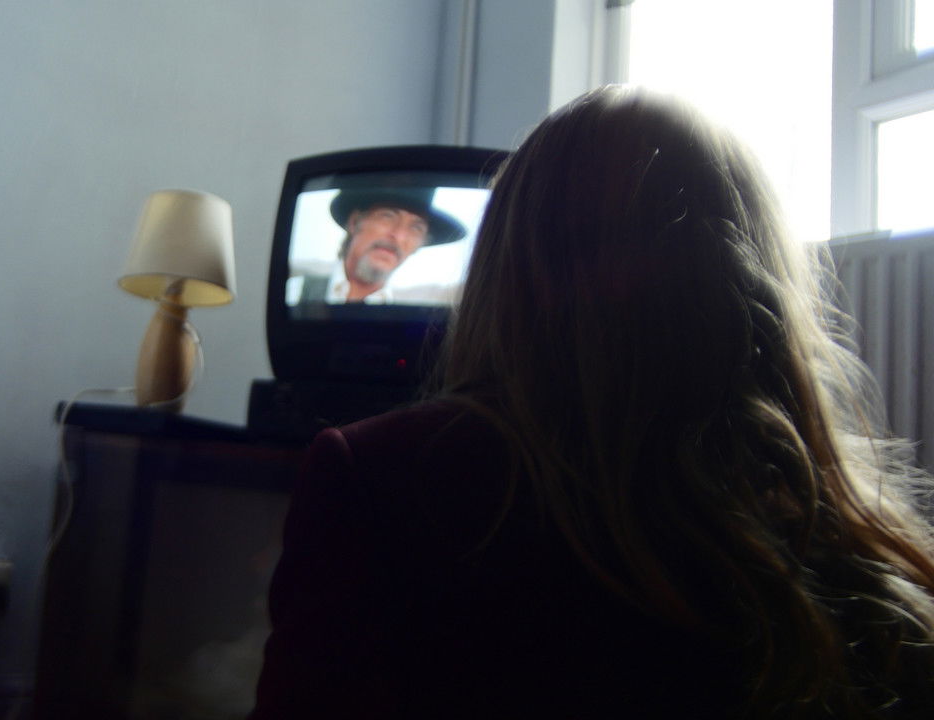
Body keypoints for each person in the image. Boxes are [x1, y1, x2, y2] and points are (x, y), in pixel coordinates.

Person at [249, 86, 934, 718]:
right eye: (384, 220)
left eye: (415, 228)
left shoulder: (373, 476)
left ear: (510, 261)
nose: (398, 237)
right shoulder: (853, 552)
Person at [287, 187, 466, 304]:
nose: (398, 235)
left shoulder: (416, 311)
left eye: (416, 228)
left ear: (419, 246)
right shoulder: (293, 286)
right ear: (355, 222)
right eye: (387, 216)